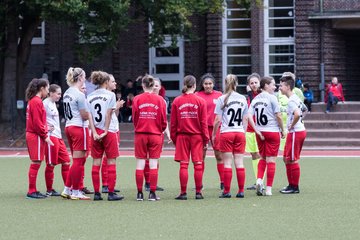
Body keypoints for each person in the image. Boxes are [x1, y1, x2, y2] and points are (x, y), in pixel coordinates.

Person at [213, 74, 262, 198]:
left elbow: (217, 120)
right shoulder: (242, 98)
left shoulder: (221, 98)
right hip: (239, 132)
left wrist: (214, 134)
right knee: (239, 162)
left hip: (226, 133)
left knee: (227, 163)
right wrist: (243, 131)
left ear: (225, 84)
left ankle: (227, 191)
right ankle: (241, 191)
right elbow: (246, 118)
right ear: (236, 84)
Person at [87, 71, 124, 201]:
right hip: (109, 131)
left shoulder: (89, 96)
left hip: (95, 131)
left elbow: (89, 116)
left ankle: (97, 193)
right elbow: (108, 114)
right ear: (106, 82)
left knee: (96, 162)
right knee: (111, 161)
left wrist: (95, 132)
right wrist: (106, 131)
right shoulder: (110, 95)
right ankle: (111, 193)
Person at [171, 75, 209, 200]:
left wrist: (174, 138)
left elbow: (173, 123)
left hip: (182, 136)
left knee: (184, 165)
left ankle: (183, 193)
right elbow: (204, 123)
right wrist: (206, 139)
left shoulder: (177, 101)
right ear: (194, 85)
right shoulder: (201, 101)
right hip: (197, 136)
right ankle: (198, 192)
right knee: (198, 164)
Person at [247, 77, 285, 196]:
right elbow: (278, 116)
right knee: (271, 160)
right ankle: (268, 189)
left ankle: (259, 180)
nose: (275, 87)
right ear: (266, 85)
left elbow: (248, 115)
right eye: (273, 85)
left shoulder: (255, 99)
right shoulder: (272, 98)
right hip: (272, 131)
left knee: (262, 158)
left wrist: (256, 129)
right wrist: (283, 130)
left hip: (260, 132)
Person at [132, 75, 167, 201]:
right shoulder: (160, 100)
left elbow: (135, 117)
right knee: (153, 163)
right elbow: (164, 120)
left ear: (143, 85)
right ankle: (152, 193)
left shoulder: (136, 99)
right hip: (155, 134)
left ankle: (139, 193)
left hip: (141, 134)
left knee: (140, 163)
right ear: (153, 86)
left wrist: (139, 127)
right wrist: (160, 129)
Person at [60, 67, 91, 200]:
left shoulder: (67, 92)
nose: (85, 79)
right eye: (84, 77)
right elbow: (84, 115)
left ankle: (68, 189)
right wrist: (91, 115)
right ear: (80, 78)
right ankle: (75, 190)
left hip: (69, 126)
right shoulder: (79, 94)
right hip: (79, 127)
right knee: (79, 161)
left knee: (77, 160)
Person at [25, 78, 54, 199]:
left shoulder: (33, 101)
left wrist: (46, 127)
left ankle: (33, 190)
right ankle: (31, 191)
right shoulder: (36, 101)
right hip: (35, 135)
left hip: (34, 134)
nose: (48, 91)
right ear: (41, 88)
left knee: (37, 161)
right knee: (36, 162)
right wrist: (45, 135)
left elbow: (37, 120)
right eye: (47, 88)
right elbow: (37, 122)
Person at [279, 74, 307, 194]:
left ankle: (294, 187)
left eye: (281, 86)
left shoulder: (291, 100)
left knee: (292, 159)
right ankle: (291, 184)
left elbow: (297, 113)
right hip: (298, 131)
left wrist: (291, 125)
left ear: (288, 87)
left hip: (296, 132)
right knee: (286, 158)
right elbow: (304, 109)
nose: (280, 88)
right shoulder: (296, 97)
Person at [195, 73, 223, 190]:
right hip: (201, 129)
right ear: (202, 84)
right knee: (201, 156)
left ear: (213, 84)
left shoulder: (220, 95)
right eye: (206, 84)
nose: (208, 86)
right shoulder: (197, 95)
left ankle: (223, 181)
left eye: (210, 83)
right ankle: (199, 183)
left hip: (216, 128)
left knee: (219, 155)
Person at [43, 84, 71, 196]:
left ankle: (67, 189)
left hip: (58, 137)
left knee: (66, 161)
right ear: (51, 93)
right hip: (51, 137)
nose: (60, 96)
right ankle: (49, 190)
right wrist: (45, 127)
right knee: (51, 164)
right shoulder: (44, 104)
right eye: (58, 93)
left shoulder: (53, 103)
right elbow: (37, 118)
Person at [143, 78, 169, 192]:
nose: (154, 87)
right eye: (153, 85)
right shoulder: (143, 99)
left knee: (155, 158)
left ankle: (153, 182)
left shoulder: (162, 101)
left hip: (158, 132)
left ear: (160, 87)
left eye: (157, 86)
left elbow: (164, 119)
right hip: (148, 132)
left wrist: (167, 132)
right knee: (147, 159)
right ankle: (147, 183)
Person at [100, 74, 124, 194]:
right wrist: (116, 106)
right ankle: (105, 184)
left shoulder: (112, 96)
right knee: (107, 157)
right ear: (106, 82)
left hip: (114, 127)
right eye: (113, 81)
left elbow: (114, 114)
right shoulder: (106, 95)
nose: (115, 83)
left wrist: (117, 107)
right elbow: (106, 112)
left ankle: (109, 184)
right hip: (108, 128)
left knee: (111, 157)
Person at [244, 73, 262, 190]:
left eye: (256, 82)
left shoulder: (263, 95)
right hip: (249, 130)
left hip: (260, 130)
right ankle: (257, 180)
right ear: (248, 85)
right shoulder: (248, 97)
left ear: (260, 83)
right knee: (254, 155)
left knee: (260, 155)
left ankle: (260, 180)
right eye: (251, 83)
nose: (254, 85)